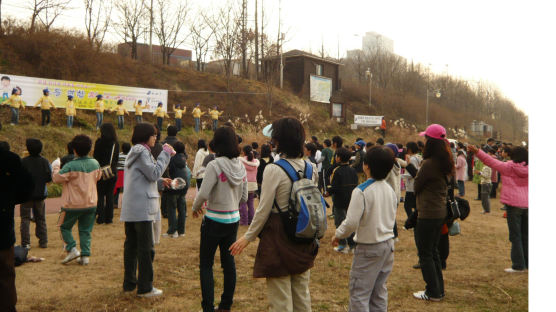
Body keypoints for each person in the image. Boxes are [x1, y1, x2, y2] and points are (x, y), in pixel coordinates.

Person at [230, 117, 318, 312]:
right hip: (304, 235)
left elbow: (263, 209)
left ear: (279, 141)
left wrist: (248, 237)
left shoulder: (274, 170)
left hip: (279, 235)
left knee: (281, 300)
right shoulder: (311, 168)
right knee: (302, 295)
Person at [331, 146, 397, 312]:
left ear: (366, 165)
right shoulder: (390, 190)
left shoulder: (361, 191)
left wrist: (338, 234)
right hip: (387, 246)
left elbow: (351, 223)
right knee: (379, 291)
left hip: (369, 247)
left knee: (359, 293)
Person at [192, 126, 247, 312]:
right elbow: (245, 197)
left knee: (206, 264)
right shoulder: (241, 165)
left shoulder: (214, 165)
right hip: (233, 221)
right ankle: (225, 306)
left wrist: (195, 207)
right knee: (228, 264)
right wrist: (232, 202)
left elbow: (203, 193)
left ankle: (207, 307)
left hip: (214, 220)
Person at [121, 122, 175, 298]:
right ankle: (145, 287)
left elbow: (142, 177)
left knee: (131, 246)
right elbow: (153, 173)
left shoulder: (134, 151)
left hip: (131, 207)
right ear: (146, 136)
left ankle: (130, 283)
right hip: (142, 208)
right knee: (146, 248)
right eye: (153, 135)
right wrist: (165, 154)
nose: (155, 138)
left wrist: (160, 181)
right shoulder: (143, 151)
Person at [468, 144, 528, 273]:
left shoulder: (508, 167)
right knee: (525, 235)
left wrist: (478, 151)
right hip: (528, 204)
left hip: (514, 204)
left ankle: (518, 265)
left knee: (515, 235)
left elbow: (490, 161)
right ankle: (527, 263)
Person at [412, 124, 454, 301]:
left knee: (425, 254)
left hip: (428, 214)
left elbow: (416, 186)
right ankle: (439, 289)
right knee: (433, 252)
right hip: (440, 212)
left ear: (431, 142)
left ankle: (432, 291)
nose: (424, 141)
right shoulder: (446, 163)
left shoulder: (429, 164)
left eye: (426, 138)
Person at [52, 135, 102, 265]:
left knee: (63, 226)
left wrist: (56, 166)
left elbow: (57, 178)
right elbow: (98, 177)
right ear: (90, 149)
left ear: (74, 150)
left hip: (72, 205)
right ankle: (85, 256)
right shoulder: (95, 163)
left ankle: (72, 248)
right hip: (91, 203)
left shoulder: (70, 165)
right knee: (85, 230)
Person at [0, 147, 33, 312]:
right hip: (3, 228)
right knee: (5, 276)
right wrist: (8, 200)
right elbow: (27, 188)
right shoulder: (9, 159)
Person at [20, 138, 52, 249]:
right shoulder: (44, 161)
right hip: (40, 194)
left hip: (26, 195)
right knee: (41, 218)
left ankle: (26, 243)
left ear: (28, 149)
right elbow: (49, 177)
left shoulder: (23, 162)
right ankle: (43, 241)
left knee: (25, 218)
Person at [327, 147, 358, 253]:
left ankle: (343, 244)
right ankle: (353, 245)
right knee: (350, 222)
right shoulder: (352, 170)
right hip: (350, 200)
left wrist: (328, 192)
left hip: (339, 201)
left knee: (340, 222)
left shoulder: (337, 171)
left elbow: (334, 187)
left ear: (338, 158)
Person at [93, 123, 119, 224]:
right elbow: (116, 158)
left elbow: (95, 157)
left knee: (100, 195)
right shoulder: (115, 143)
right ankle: (109, 218)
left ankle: (101, 217)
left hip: (100, 171)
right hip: (112, 172)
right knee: (110, 195)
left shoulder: (99, 142)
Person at [164, 141, 189, 238]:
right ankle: (181, 231)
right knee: (182, 209)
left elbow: (169, 171)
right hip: (184, 186)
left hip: (174, 185)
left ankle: (172, 231)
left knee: (172, 209)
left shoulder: (172, 159)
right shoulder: (184, 158)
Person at [239, 145, 259, 226]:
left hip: (244, 184)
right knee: (251, 203)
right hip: (253, 184)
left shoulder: (241, 160)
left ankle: (244, 221)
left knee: (243, 203)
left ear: (244, 152)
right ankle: (251, 220)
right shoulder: (256, 162)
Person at [403, 141, 421, 219]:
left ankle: (412, 221)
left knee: (407, 206)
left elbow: (412, 173)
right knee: (415, 205)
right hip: (416, 185)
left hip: (411, 186)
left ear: (409, 149)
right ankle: (415, 220)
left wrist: (402, 176)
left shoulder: (412, 159)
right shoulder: (418, 157)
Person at [114, 142, 131, 209]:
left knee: (117, 189)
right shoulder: (130, 156)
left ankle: (115, 203)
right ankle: (127, 203)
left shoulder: (119, 155)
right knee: (127, 189)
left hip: (118, 173)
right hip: (127, 174)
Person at [476, 147, 492, 214]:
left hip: (485, 183)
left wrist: (479, 173)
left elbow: (486, 176)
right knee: (486, 197)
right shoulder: (487, 167)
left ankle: (486, 210)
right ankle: (486, 209)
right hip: (486, 183)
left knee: (484, 198)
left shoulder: (486, 167)